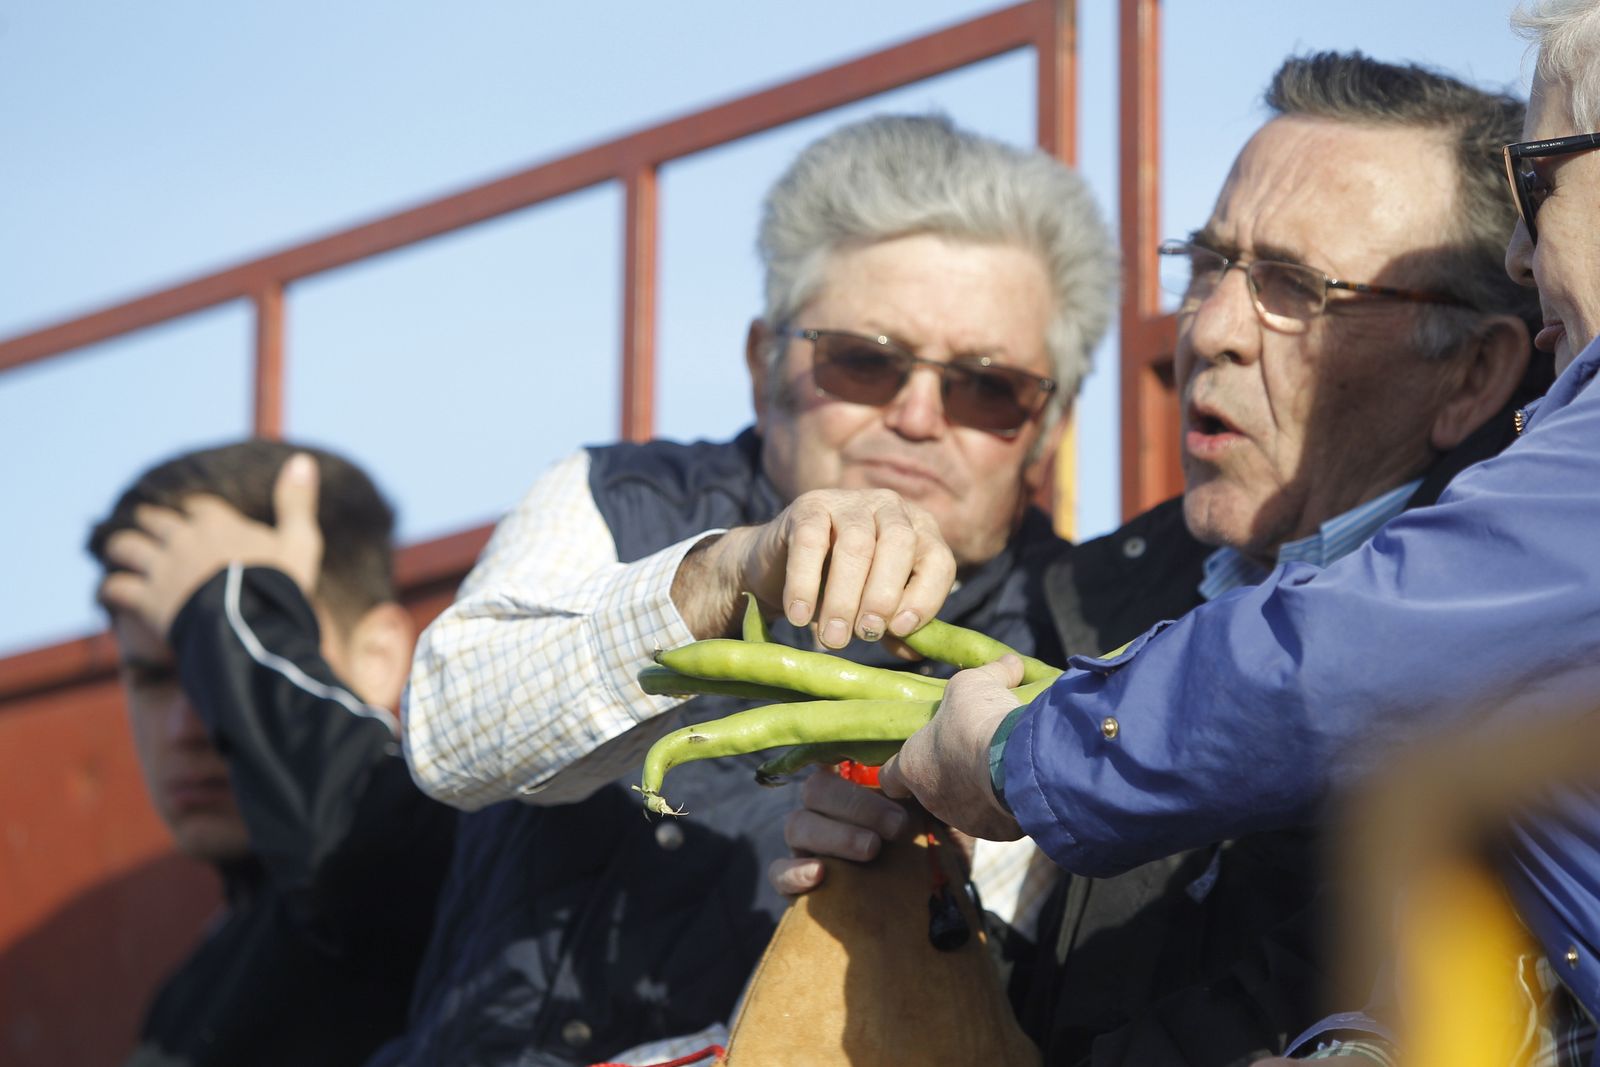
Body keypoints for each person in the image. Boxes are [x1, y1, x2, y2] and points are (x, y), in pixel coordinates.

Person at [773, 52, 1546, 1067]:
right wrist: (943, 898)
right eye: (1209, 262)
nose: (1210, 329)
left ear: (1474, 372)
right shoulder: (1087, 599)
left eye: (1295, 289)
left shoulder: (1531, 669)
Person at [377, 113, 1117, 1066]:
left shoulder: (1086, 633)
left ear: (1047, 428)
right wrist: (718, 577)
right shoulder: (616, 497)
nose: (919, 414)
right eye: (866, 359)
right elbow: (448, 733)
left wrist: (940, 868)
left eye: (987, 386)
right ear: (764, 366)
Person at [90, 441, 457, 1067]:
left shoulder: (465, 875)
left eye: (236, 645)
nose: (186, 726)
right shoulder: (182, 999)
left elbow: (374, 850)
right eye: (154, 678)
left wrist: (232, 608)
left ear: (380, 658)